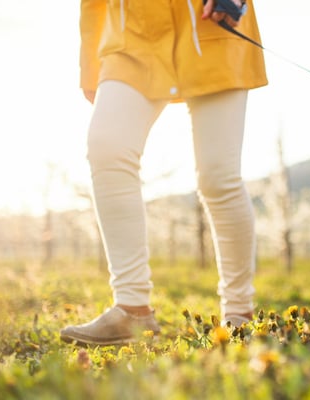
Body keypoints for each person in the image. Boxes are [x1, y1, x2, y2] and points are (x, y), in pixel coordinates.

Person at [60, 0, 267, 346]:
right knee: (107, 146)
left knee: (218, 176)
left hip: (210, 28)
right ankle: (131, 308)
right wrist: (90, 64)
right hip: (130, 38)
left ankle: (239, 313)